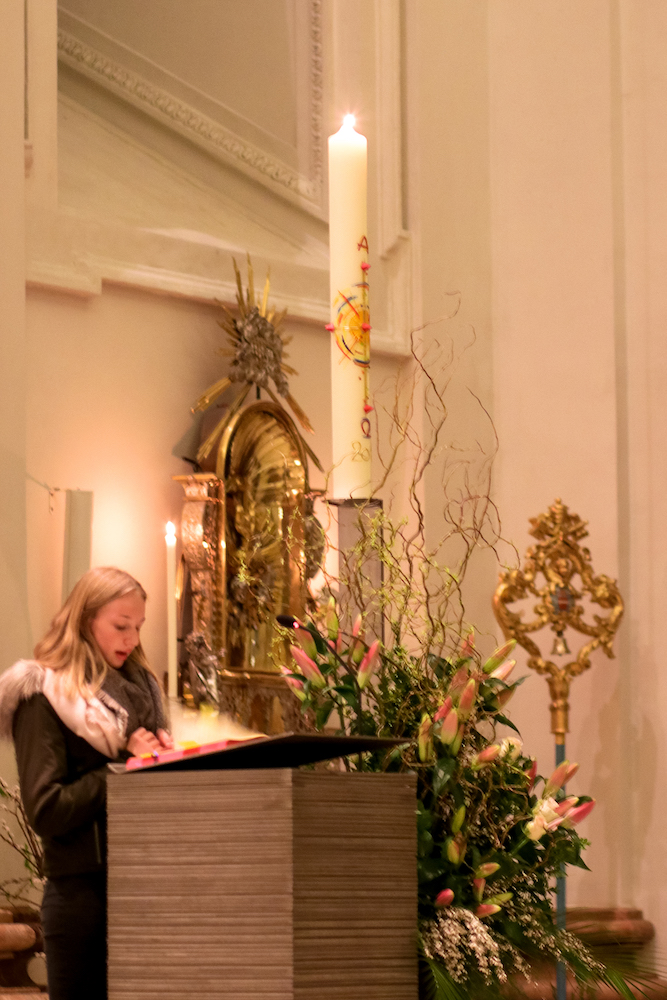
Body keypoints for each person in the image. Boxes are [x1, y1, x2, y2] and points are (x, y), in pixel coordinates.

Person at [0, 566, 173, 1000]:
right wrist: (124, 767)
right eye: (120, 626)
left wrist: (169, 762)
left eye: (138, 627)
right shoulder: (43, 694)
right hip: (83, 901)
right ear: (84, 619)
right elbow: (46, 808)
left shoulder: (142, 694)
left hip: (150, 892)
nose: (131, 639)